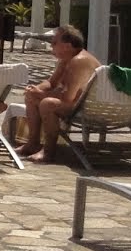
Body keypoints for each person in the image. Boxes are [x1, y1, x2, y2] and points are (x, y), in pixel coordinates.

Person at [16, 23, 100, 163]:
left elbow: (67, 97)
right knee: (31, 96)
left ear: (67, 46)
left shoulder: (78, 61)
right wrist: (36, 88)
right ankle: (32, 144)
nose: (51, 46)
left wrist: (42, 94)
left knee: (48, 104)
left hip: (84, 108)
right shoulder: (66, 60)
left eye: (54, 43)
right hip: (75, 104)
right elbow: (51, 83)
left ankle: (48, 152)